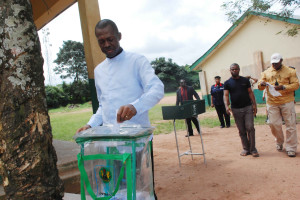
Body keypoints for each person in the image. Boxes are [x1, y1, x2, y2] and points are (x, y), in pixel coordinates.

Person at [76, 19, 164, 198]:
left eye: (110, 39)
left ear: (119, 36)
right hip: (110, 144)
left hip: (137, 143)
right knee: (116, 190)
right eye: (102, 41)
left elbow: (157, 89)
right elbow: (103, 105)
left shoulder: (136, 61)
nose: (107, 44)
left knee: (141, 190)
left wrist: (135, 106)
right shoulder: (99, 71)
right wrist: (91, 124)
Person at [258, 53, 299, 157]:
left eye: (276, 63)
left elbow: (296, 84)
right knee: (273, 124)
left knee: (290, 125)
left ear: (281, 60)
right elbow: (260, 86)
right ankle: (279, 141)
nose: (274, 65)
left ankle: (291, 148)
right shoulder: (266, 72)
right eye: (273, 63)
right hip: (272, 103)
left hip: (287, 101)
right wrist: (261, 85)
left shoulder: (290, 71)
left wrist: (283, 87)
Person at [224, 63, 259, 157]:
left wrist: (254, 105)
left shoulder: (245, 80)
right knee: (242, 130)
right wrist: (227, 106)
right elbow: (226, 95)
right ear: (230, 70)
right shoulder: (227, 83)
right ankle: (246, 149)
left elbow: (250, 92)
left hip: (247, 107)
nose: (234, 70)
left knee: (250, 127)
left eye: (236, 69)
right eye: (232, 69)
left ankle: (253, 149)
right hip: (236, 109)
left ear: (239, 70)